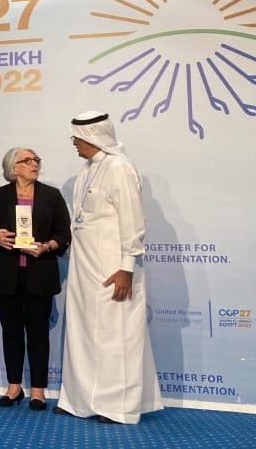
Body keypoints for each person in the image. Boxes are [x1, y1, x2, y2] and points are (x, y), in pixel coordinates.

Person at [57, 111, 163, 424]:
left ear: (92, 137)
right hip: (84, 266)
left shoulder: (119, 167)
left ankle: (117, 406)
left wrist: (126, 267)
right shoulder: (88, 168)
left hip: (112, 267)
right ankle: (80, 400)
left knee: (116, 334)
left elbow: (133, 220)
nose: (74, 143)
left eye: (77, 137)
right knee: (83, 332)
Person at [0, 147, 71, 411]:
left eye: (36, 160)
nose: (34, 164)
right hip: (5, 274)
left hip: (40, 273)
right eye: (27, 160)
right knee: (11, 332)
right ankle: (14, 387)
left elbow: (64, 234)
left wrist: (48, 246)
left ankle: (38, 391)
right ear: (13, 168)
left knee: (38, 333)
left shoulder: (51, 195)